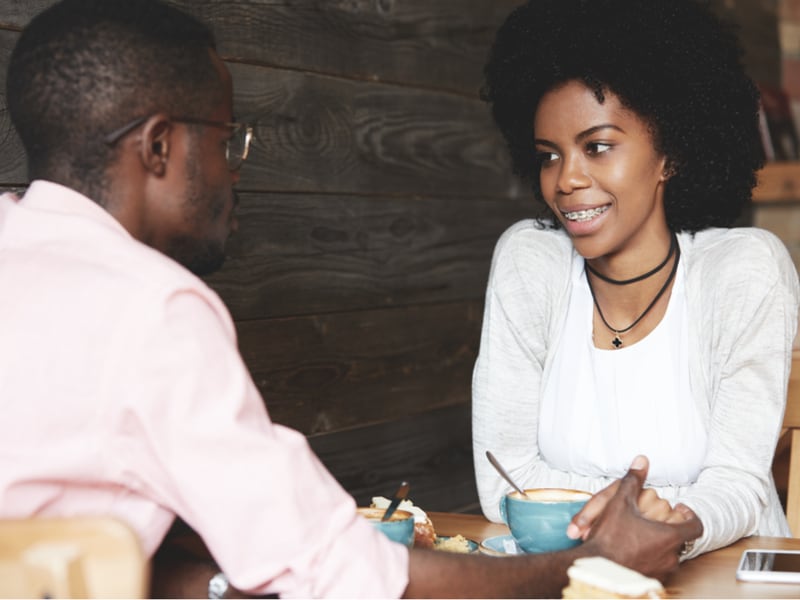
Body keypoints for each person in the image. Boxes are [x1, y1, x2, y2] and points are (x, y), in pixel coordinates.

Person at [0, 0, 701, 597]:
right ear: (158, 148)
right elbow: (343, 574)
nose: (233, 172)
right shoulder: (152, 309)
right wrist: (592, 564)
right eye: (225, 139)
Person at [472, 0, 800, 562]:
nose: (567, 180)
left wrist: (675, 521)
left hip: (719, 577)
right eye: (549, 156)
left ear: (670, 153)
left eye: (597, 147)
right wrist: (628, 521)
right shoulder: (531, 262)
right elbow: (504, 480)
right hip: (567, 577)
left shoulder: (743, 270)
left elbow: (739, 485)